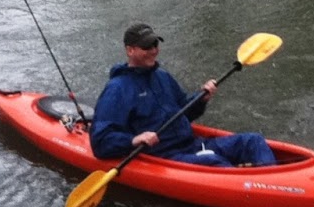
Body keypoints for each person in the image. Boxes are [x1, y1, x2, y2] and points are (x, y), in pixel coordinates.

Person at [90, 23, 277, 168]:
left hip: (192, 144)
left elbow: (183, 112)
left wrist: (201, 98)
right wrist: (134, 140)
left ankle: (271, 182)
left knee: (253, 141)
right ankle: (261, 192)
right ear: (130, 50)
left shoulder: (161, 76)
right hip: (165, 156)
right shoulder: (117, 89)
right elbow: (100, 142)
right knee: (214, 161)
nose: (154, 50)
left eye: (155, 44)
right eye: (147, 46)